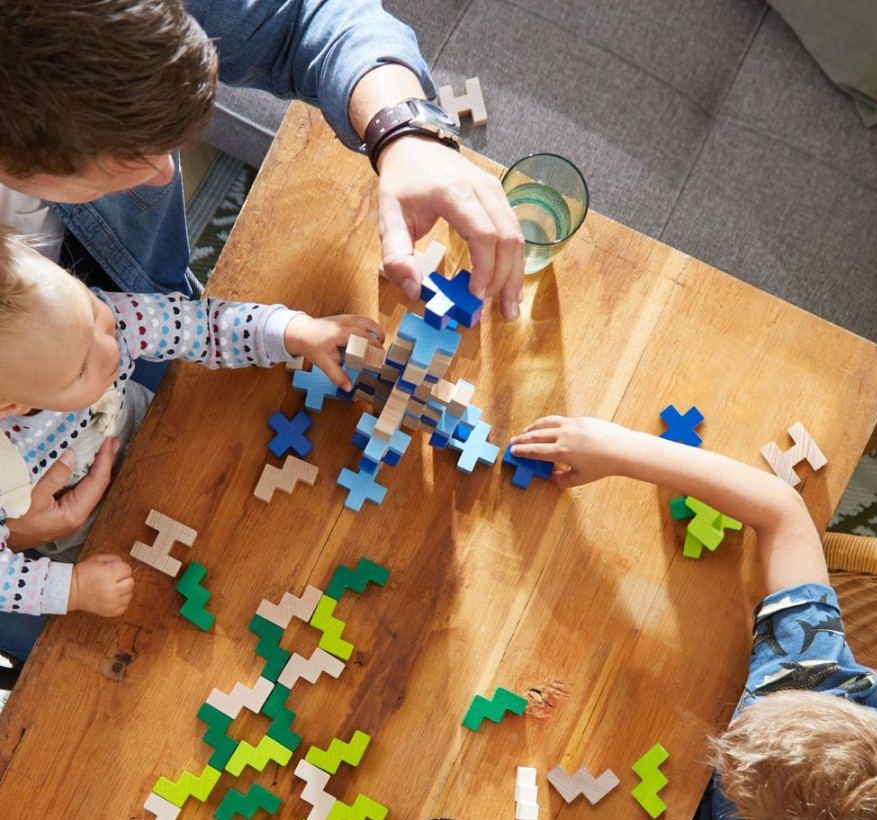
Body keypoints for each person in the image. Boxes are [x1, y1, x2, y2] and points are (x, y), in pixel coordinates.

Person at [0, 0, 524, 654]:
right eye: (123, 157)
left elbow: (308, 15)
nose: (167, 172)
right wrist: (23, 543)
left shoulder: (114, 326)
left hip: (140, 401)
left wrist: (404, 133)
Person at [509, 416, 877, 820]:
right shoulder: (808, 670)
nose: (722, 742)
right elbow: (782, 510)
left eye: (735, 781)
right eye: (747, 724)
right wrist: (619, 449)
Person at [0, 228, 384, 622]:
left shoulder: (102, 323)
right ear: (12, 405)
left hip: (159, 437)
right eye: (81, 370)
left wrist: (293, 331)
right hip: (88, 532)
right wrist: (74, 588)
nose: (112, 348)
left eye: (91, 310)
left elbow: (201, 325)